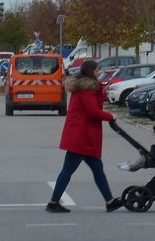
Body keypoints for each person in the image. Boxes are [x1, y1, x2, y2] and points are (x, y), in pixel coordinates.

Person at [46, 59, 123, 213]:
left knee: (97, 168)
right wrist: (110, 116)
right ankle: (53, 203)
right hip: (82, 136)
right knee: (68, 169)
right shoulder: (87, 89)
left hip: (82, 134)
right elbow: (92, 111)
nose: (99, 72)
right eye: (97, 70)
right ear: (90, 72)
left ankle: (110, 201)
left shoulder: (83, 87)